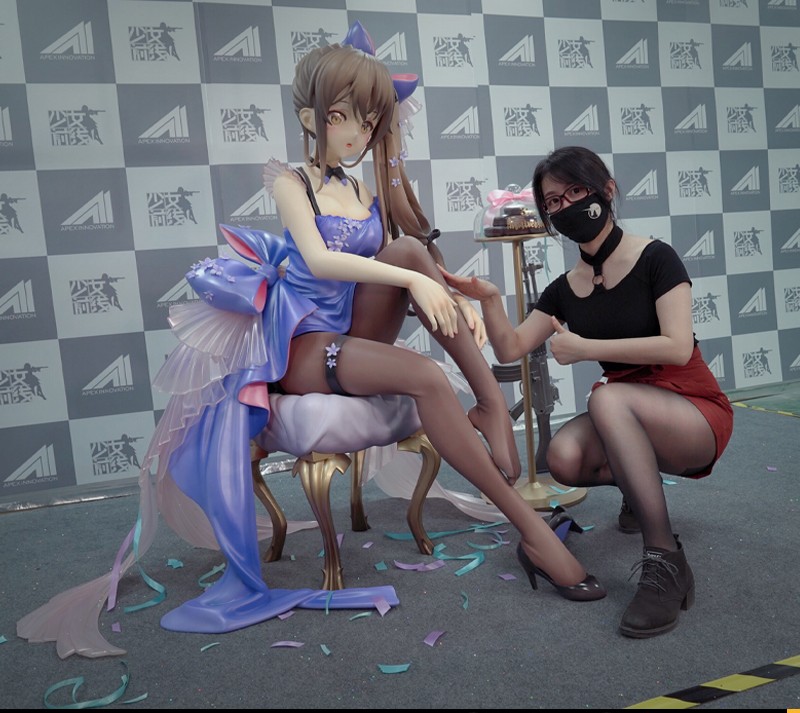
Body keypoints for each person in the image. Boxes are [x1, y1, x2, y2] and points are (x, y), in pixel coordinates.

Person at [16, 27, 602, 661]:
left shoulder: (360, 189)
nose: (360, 132)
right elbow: (321, 262)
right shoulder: (291, 182)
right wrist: (413, 281)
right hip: (301, 347)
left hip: (350, 331)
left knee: (409, 248)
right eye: (346, 116)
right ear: (311, 117)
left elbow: (400, 258)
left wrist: (442, 287)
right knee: (427, 372)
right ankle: (529, 528)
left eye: (371, 119)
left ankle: (489, 405)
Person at [441, 146, 733, 638]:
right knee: (563, 457)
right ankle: (636, 491)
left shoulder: (655, 257)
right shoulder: (565, 288)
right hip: (625, 409)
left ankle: (665, 560)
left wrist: (586, 348)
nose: (565, 206)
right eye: (553, 202)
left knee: (606, 397)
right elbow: (511, 347)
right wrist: (490, 299)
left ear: (606, 191)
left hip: (693, 408)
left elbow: (678, 346)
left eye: (575, 191)